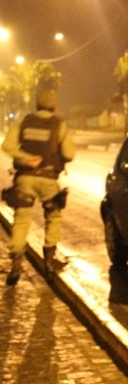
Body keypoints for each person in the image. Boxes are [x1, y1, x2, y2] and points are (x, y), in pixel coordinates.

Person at [2, 90, 75, 286]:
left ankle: (16, 263)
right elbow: (69, 154)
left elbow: (7, 146)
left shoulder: (24, 122)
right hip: (48, 179)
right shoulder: (59, 124)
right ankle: (49, 262)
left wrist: (26, 159)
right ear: (54, 106)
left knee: (22, 220)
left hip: (24, 179)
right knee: (53, 216)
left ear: (36, 105)